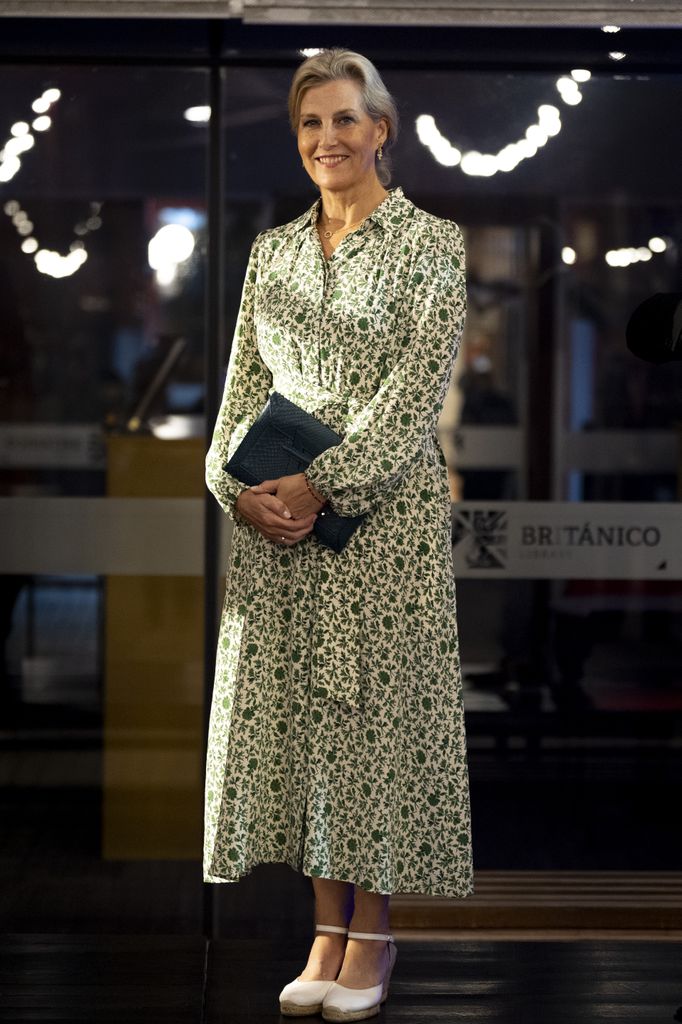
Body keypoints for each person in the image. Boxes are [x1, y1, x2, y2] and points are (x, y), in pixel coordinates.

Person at [203, 47, 474, 1022]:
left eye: (345, 119)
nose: (328, 139)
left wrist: (323, 483)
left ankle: (374, 931)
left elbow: (413, 400)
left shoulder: (433, 244)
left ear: (380, 129)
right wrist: (234, 490)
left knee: (374, 722)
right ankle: (326, 929)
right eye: (311, 122)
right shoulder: (272, 253)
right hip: (278, 526)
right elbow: (239, 391)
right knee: (309, 726)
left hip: (382, 525)